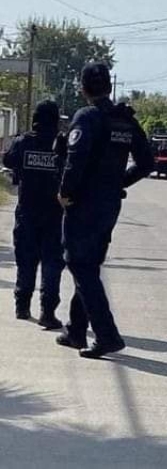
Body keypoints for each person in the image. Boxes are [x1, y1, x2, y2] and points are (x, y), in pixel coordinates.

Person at [56, 62, 154, 359]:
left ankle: (107, 334)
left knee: (80, 265)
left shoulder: (87, 117)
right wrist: (118, 182)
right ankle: (76, 330)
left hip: (83, 203)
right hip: (109, 204)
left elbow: (75, 159)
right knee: (88, 265)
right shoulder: (125, 120)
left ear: (83, 88)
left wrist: (65, 193)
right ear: (109, 87)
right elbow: (147, 163)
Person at [2, 101, 66, 329]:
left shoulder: (23, 142)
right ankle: (47, 312)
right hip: (54, 214)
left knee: (26, 260)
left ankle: (22, 306)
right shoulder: (62, 145)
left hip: (27, 211)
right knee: (51, 262)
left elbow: (7, 160)